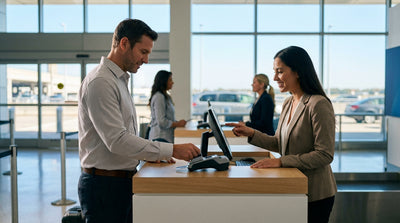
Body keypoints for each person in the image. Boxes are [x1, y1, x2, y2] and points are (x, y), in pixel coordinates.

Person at [77, 19, 200, 223]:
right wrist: (172, 150)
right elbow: (117, 140)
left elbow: (124, 136)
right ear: (124, 43)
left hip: (120, 181)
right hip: (104, 187)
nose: (146, 60)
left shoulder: (118, 79)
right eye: (143, 52)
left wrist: (149, 154)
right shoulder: (101, 82)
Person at [227, 46, 337, 223]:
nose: (275, 78)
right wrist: (251, 133)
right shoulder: (288, 102)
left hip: (316, 193)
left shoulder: (318, 104)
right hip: (294, 186)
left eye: (280, 71)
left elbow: (324, 154)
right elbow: (279, 142)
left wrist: (280, 161)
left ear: (298, 72)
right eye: (274, 72)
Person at [148, 70, 186, 143]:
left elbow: (167, 118)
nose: (172, 82)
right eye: (170, 80)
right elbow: (161, 121)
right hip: (160, 138)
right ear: (163, 81)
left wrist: (177, 123)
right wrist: (177, 124)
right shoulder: (159, 97)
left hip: (166, 138)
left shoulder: (166, 96)